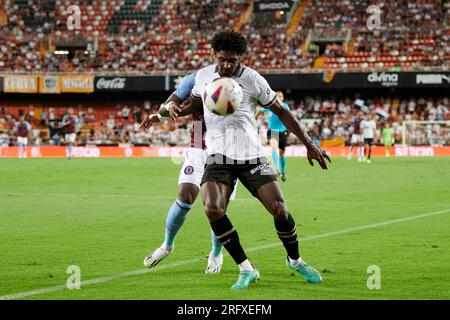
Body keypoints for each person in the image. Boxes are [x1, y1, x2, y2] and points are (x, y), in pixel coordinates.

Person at [175, 31, 331, 289]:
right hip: (218, 154)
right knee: (213, 208)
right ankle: (246, 268)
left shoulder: (252, 79)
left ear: (240, 57)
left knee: (279, 209)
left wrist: (309, 144)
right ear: (214, 55)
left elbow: (281, 111)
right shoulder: (203, 76)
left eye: (233, 60)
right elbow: (191, 105)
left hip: (250, 154)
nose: (227, 65)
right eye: (223, 59)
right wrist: (171, 108)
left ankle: (295, 260)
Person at [140, 73, 237, 273]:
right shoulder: (197, 78)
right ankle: (167, 246)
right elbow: (174, 105)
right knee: (185, 195)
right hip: (198, 147)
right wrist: (159, 115)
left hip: (226, 151)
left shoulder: (243, 78)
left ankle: (216, 253)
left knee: (217, 207)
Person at [257, 91, 291, 181]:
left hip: (282, 132)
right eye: (277, 96)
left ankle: (283, 172)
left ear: (283, 98)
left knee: (282, 153)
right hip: (272, 131)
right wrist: (254, 118)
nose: (279, 97)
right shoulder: (270, 107)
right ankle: (277, 169)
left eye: (281, 96)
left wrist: (290, 129)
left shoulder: (285, 106)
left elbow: (290, 119)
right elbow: (260, 110)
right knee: (273, 147)